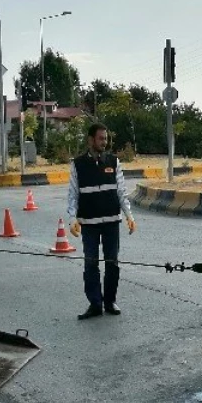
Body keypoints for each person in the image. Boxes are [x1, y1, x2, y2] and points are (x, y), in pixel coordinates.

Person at [67, 124, 136, 320]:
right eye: (100, 138)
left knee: (112, 263)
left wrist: (129, 216)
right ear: (90, 140)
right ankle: (95, 304)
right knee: (91, 264)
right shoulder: (78, 164)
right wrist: (73, 219)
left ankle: (109, 301)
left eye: (105, 138)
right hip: (88, 223)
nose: (104, 142)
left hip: (111, 222)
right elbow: (73, 194)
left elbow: (121, 192)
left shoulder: (113, 161)